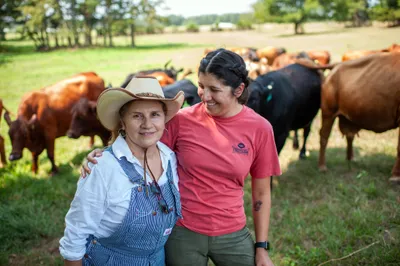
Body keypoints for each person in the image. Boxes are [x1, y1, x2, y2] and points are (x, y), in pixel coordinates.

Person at [82, 48, 281, 266]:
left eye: (214, 89)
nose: (204, 96)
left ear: (238, 89)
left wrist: (261, 247)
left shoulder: (260, 129)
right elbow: (140, 147)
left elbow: (262, 191)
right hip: (182, 231)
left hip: (232, 232)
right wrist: (105, 155)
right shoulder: (181, 120)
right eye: (201, 86)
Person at [59, 76, 185, 266]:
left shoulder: (169, 157)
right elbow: (76, 234)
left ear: (164, 119)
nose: (147, 124)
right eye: (137, 116)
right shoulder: (103, 167)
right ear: (123, 122)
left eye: (155, 114)